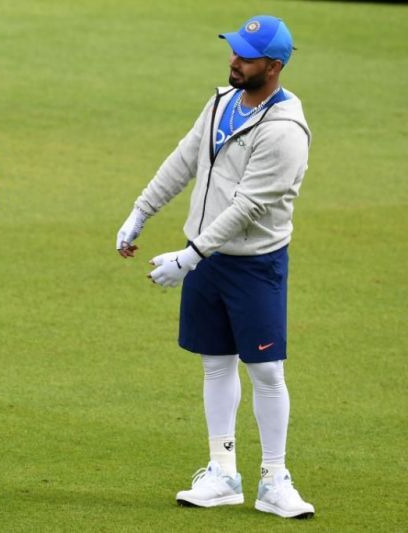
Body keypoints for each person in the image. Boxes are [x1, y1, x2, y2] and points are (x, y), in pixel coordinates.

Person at [116, 16, 314, 519]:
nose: (234, 60)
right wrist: (140, 212)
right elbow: (183, 160)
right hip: (206, 258)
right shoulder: (222, 102)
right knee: (215, 363)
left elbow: (247, 206)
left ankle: (274, 478)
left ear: (274, 66)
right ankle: (222, 472)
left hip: (254, 265)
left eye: (246, 57)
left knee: (266, 370)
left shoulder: (285, 130)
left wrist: (187, 258)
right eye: (233, 51)